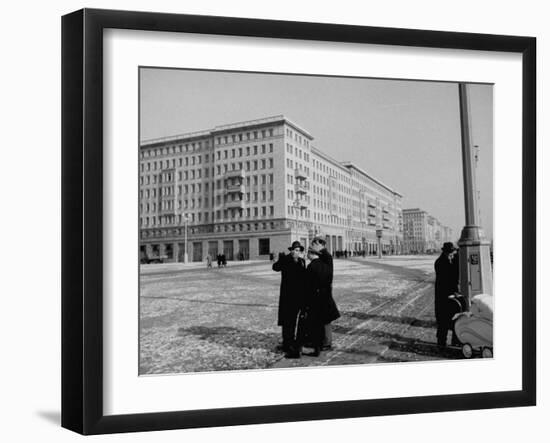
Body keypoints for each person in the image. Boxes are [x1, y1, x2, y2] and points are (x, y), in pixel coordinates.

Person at [272, 241, 306, 358]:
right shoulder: (286, 259)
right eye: (294, 250)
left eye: (298, 250)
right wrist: (281, 259)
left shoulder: (302, 261)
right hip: (287, 296)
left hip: (299, 296)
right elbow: (275, 268)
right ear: (291, 250)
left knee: (295, 321)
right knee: (287, 322)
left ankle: (293, 343)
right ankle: (287, 344)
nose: (295, 252)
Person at [310, 236, 340, 350]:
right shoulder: (325, 255)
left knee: (325, 318)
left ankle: (327, 342)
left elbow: (324, 273)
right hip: (323, 289)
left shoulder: (324, 255)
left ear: (319, 244)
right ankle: (322, 340)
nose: (313, 246)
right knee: (322, 317)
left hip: (323, 290)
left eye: (314, 244)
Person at [434, 242, 460, 347]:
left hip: (450, 295)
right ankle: (441, 343)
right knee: (443, 321)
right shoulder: (440, 263)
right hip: (443, 296)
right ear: (445, 252)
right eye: (451, 254)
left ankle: (454, 341)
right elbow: (449, 277)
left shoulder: (449, 260)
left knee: (454, 318)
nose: (452, 256)